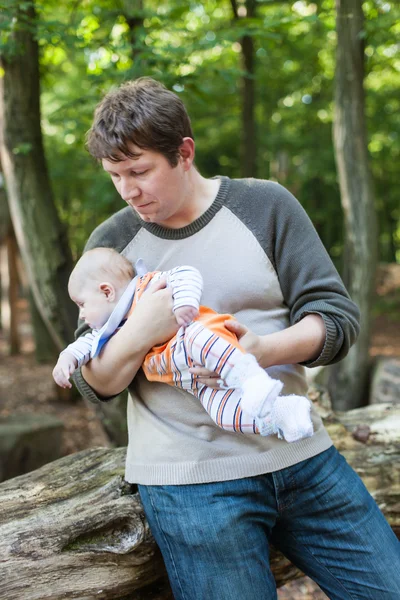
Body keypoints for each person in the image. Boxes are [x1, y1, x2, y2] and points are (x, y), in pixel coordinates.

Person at [72, 78, 400, 599]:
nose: (128, 191)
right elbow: (95, 381)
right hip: (191, 485)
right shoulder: (112, 243)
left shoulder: (265, 205)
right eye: (115, 176)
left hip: (302, 455)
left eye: (139, 171)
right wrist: (141, 330)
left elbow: (335, 318)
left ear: (184, 152)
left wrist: (264, 350)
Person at [53, 247, 314, 442]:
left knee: (198, 338)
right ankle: (280, 414)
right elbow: (83, 347)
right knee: (222, 415)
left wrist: (184, 304)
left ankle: (254, 382)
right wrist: (66, 360)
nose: (82, 316)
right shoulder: (106, 332)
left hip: (202, 336)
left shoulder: (148, 286)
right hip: (196, 381)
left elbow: (185, 274)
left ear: (106, 291)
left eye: (82, 305)